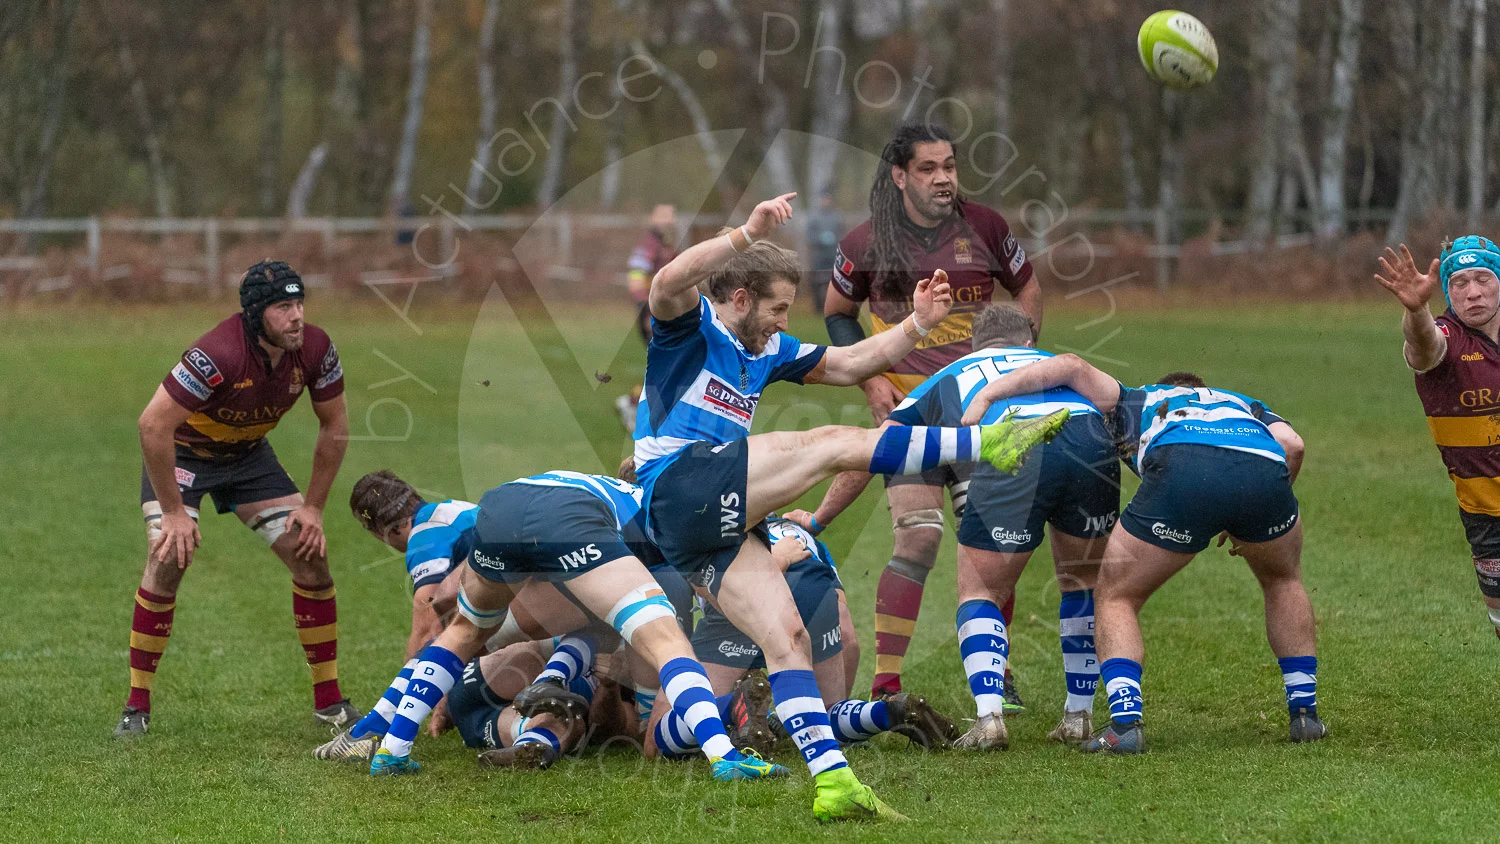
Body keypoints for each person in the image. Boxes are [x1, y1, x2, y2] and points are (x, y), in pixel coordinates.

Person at [635, 191, 1067, 821]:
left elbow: (850, 363)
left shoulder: (768, 351)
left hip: (705, 522)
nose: (785, 321)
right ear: (739, 299)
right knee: (831, 443)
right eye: (777, 308)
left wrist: (916, 324)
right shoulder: (690, 327)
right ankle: (985, 444)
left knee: (787, 639)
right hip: (676, 484)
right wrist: (745, 234)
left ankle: (833, 782)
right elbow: (667, 280)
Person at [791, 304, 1118, 750]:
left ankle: (989, 719)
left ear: (975, 345)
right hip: (1088, 438)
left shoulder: (952, 373)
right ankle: (1079, 716)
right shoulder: (1053, 365)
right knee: (1082, 585)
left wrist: (819, 516)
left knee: (980, 590)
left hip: (1012, 443)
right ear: (1028, 343)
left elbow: (876, 445)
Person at [962, 357, 1323, 753]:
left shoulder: (1136, 399)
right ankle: (1305, 715)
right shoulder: (1245, 403)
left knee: (1116, 594)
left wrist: (987, 395)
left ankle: (1125, 724)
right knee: (1283, 580)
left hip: (1183, 461)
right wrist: (1251, 515)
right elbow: (1293, 445)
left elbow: (1068, 366)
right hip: (1263, 468)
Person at [363, 470, 790, 783]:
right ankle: (724, 756)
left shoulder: (642, 498)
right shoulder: (673, 527)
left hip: (503, 503)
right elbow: (432, 600)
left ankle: (391, 747)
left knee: (466, 631)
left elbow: (441, 606)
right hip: (563, 522)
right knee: (662, 641)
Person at [823, 122, 1042, 702]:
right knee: (917, 540)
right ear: (900, 176)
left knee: (993, 547)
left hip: (980, 411)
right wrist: (871, 382)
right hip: (913, 415)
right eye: (929, 168)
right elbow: (837, 313)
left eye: (950, 165)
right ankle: (886, 683)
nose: (944, 178)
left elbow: (1028, 288)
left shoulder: (987, 227)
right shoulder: (864, 242)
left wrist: (1021, 363)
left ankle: (999, 672)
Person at [116, 260, 354, 738]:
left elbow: (336, 426)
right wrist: (172, 511)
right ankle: (136, 706)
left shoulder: (316, 349)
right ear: (255, 313)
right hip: (185, 454)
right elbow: (152, 426)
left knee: (311, 560)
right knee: (168, 557)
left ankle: (329, 702)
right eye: (283, 307)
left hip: (248, 457)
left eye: (299, 303)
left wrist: (312, 508)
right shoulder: (218, 353)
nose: (297, 316)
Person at [658, 515, 958, 759]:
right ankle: (886, 712)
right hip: (812, 593)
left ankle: (733, 706)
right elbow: (846, 633)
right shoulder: (800, 535)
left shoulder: (692, 528)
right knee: (822, 717)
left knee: (662, 731)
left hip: (742, 606)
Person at [1377, 239, 1500, 639]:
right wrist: (1416, 310)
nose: (1474, 292)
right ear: (1447, 291)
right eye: (1460, 282)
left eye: (1483, 278)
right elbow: (1424, 345)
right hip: (1485, 513)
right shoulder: (1447, 337)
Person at [618, 204, 679, 433]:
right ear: (654, 219)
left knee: (671, 366)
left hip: (669, 314)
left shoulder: (667, 246)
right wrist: (647, 311)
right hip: (654, 316)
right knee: (669, 365)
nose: (670, 220)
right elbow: (635, 278)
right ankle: (633, 404)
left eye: (672, 216)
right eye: (665, 216)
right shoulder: (648, 246)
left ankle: (636, 405)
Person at [805, 191, 842, 314]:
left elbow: (841, 234)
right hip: (818, 256)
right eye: (823, 199)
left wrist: (835, 240)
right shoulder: (813, 217)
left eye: (827, 199)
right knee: (816, 282)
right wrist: (820, 239)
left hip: (833, 255)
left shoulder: (836, 217)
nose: (825, 201)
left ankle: (833, 306)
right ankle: (818, 308)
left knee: (833, 281)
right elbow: (809, 236)